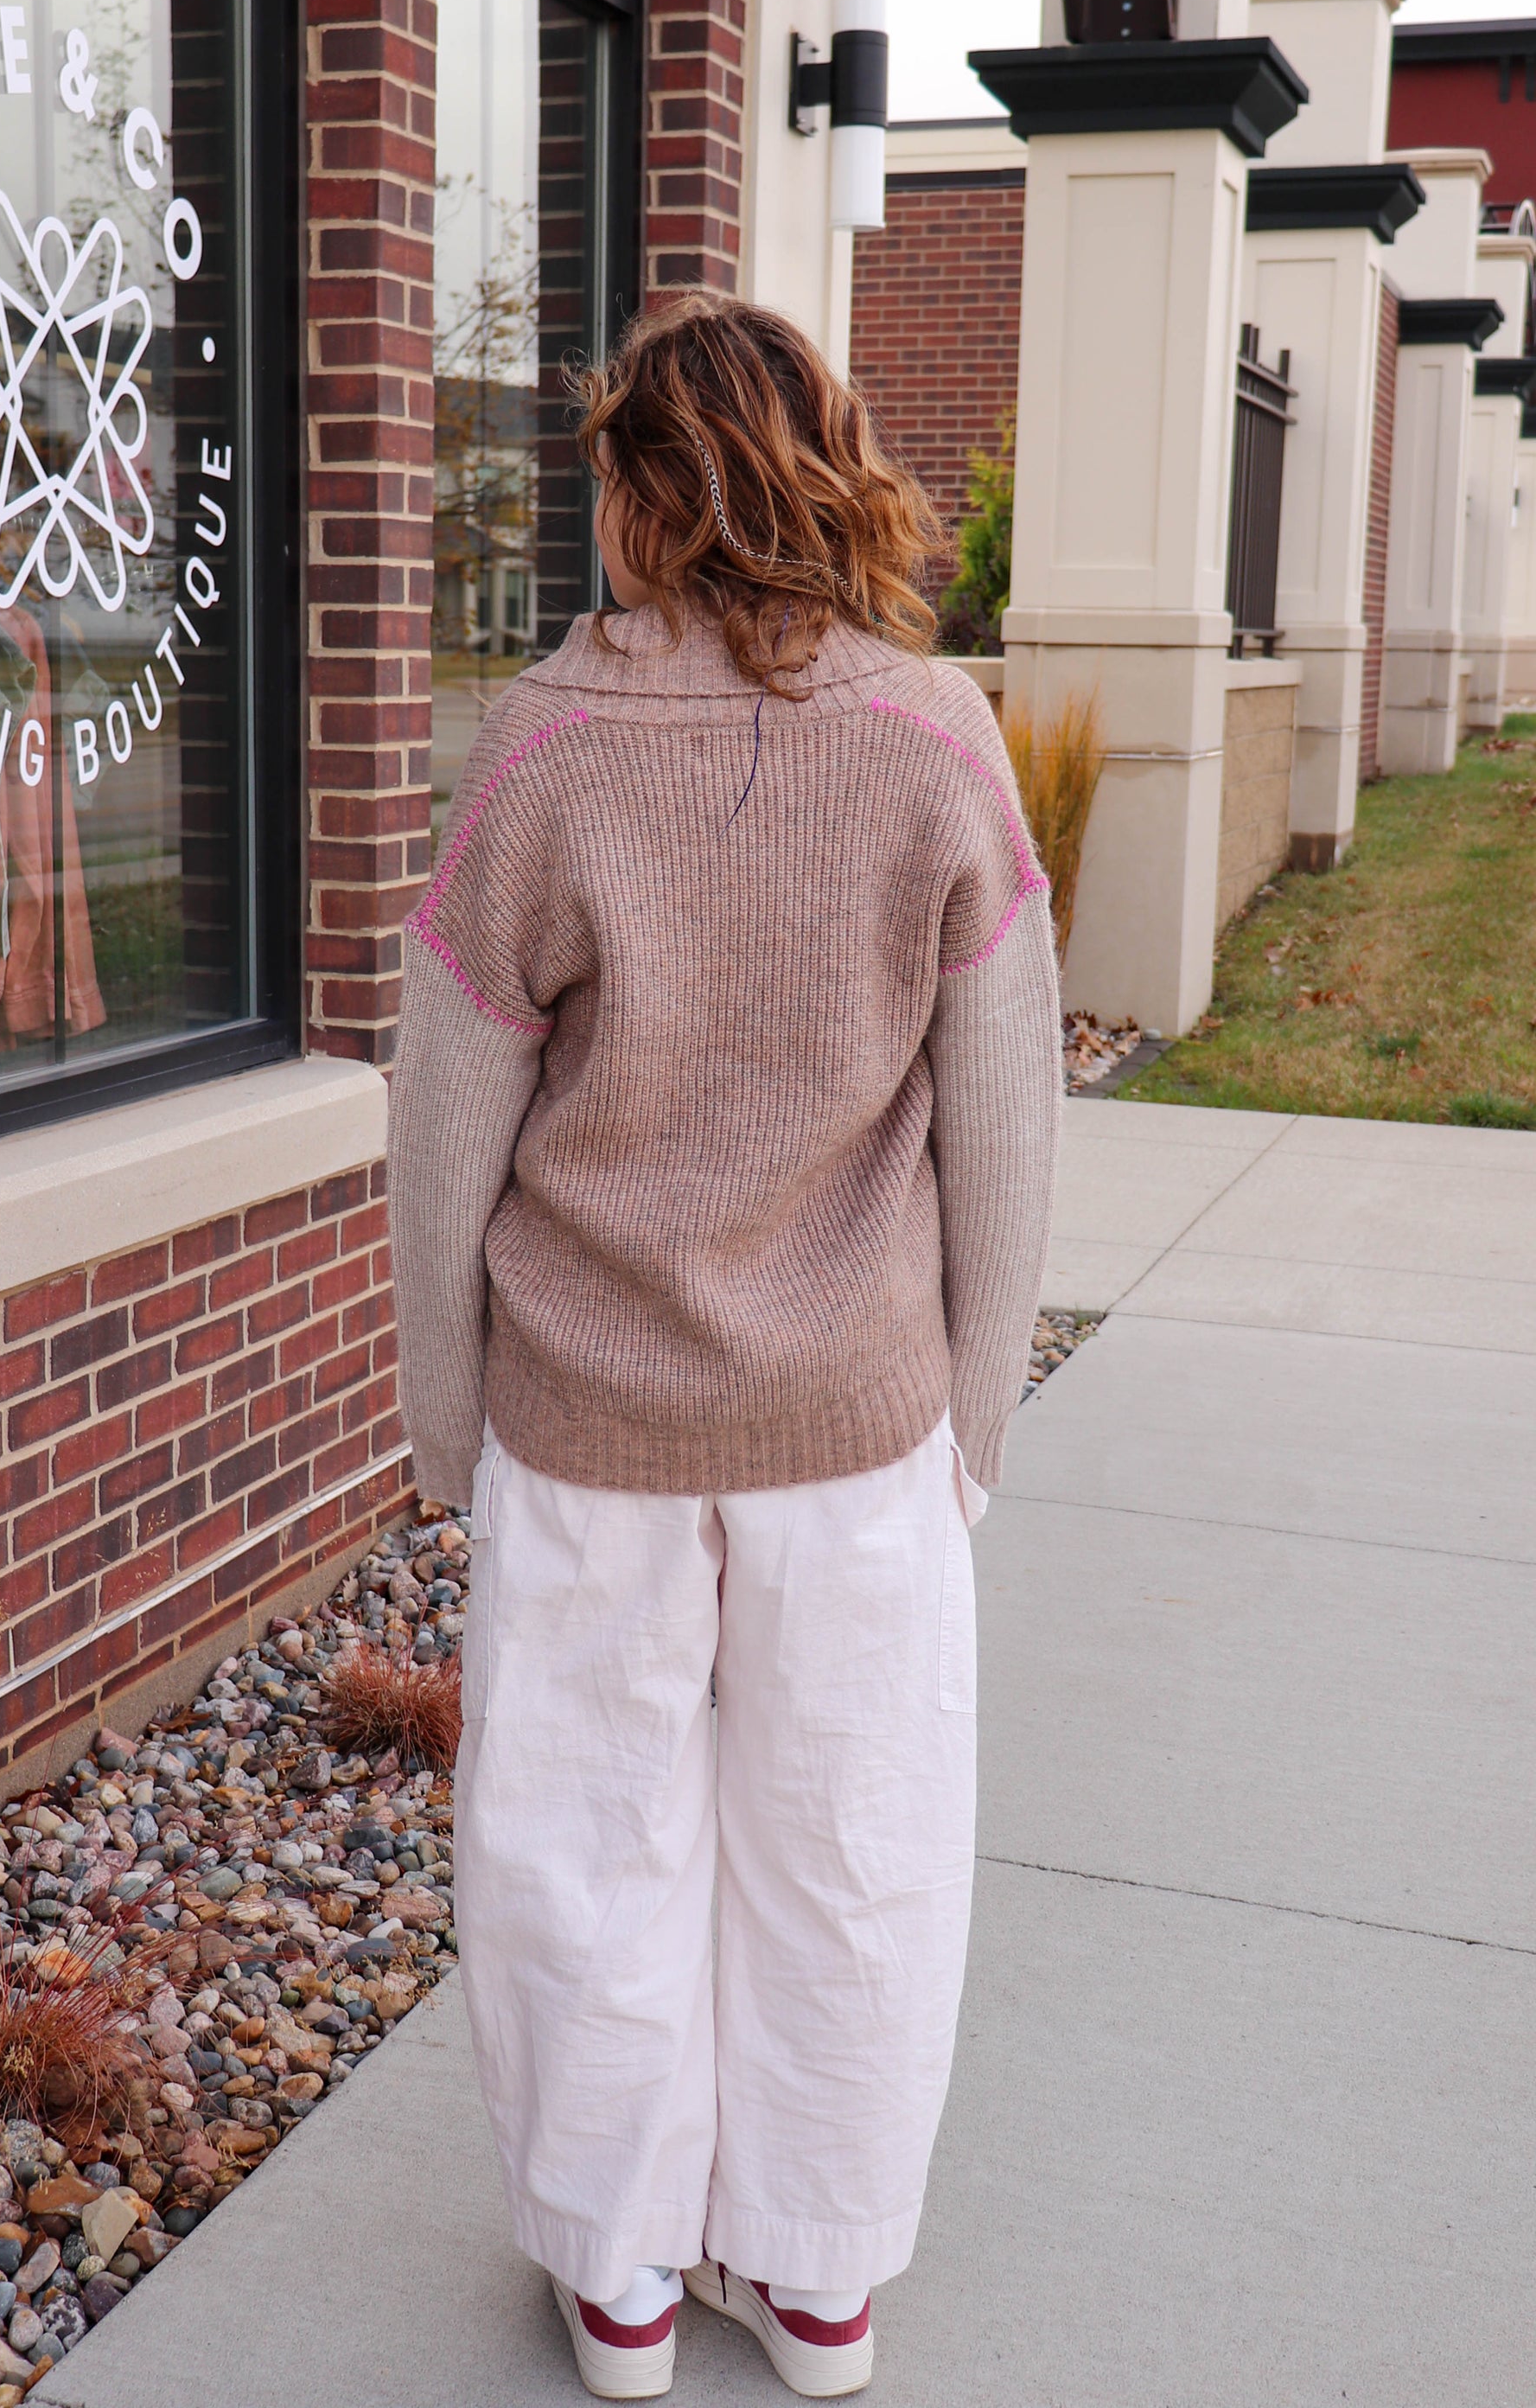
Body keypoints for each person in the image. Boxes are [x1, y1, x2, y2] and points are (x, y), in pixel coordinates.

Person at [387, 291, 1062, 2399]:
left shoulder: (546, 747)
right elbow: (1007, 1115)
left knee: (588, 1838)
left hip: (589, 1423)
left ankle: (620, 2284)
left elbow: (443, 1128)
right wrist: (975, 1407)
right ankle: (823, 2277)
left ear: (641, 490)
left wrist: (442, 1424)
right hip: (857, 1425)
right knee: (852, 1837)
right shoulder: (940, 734)